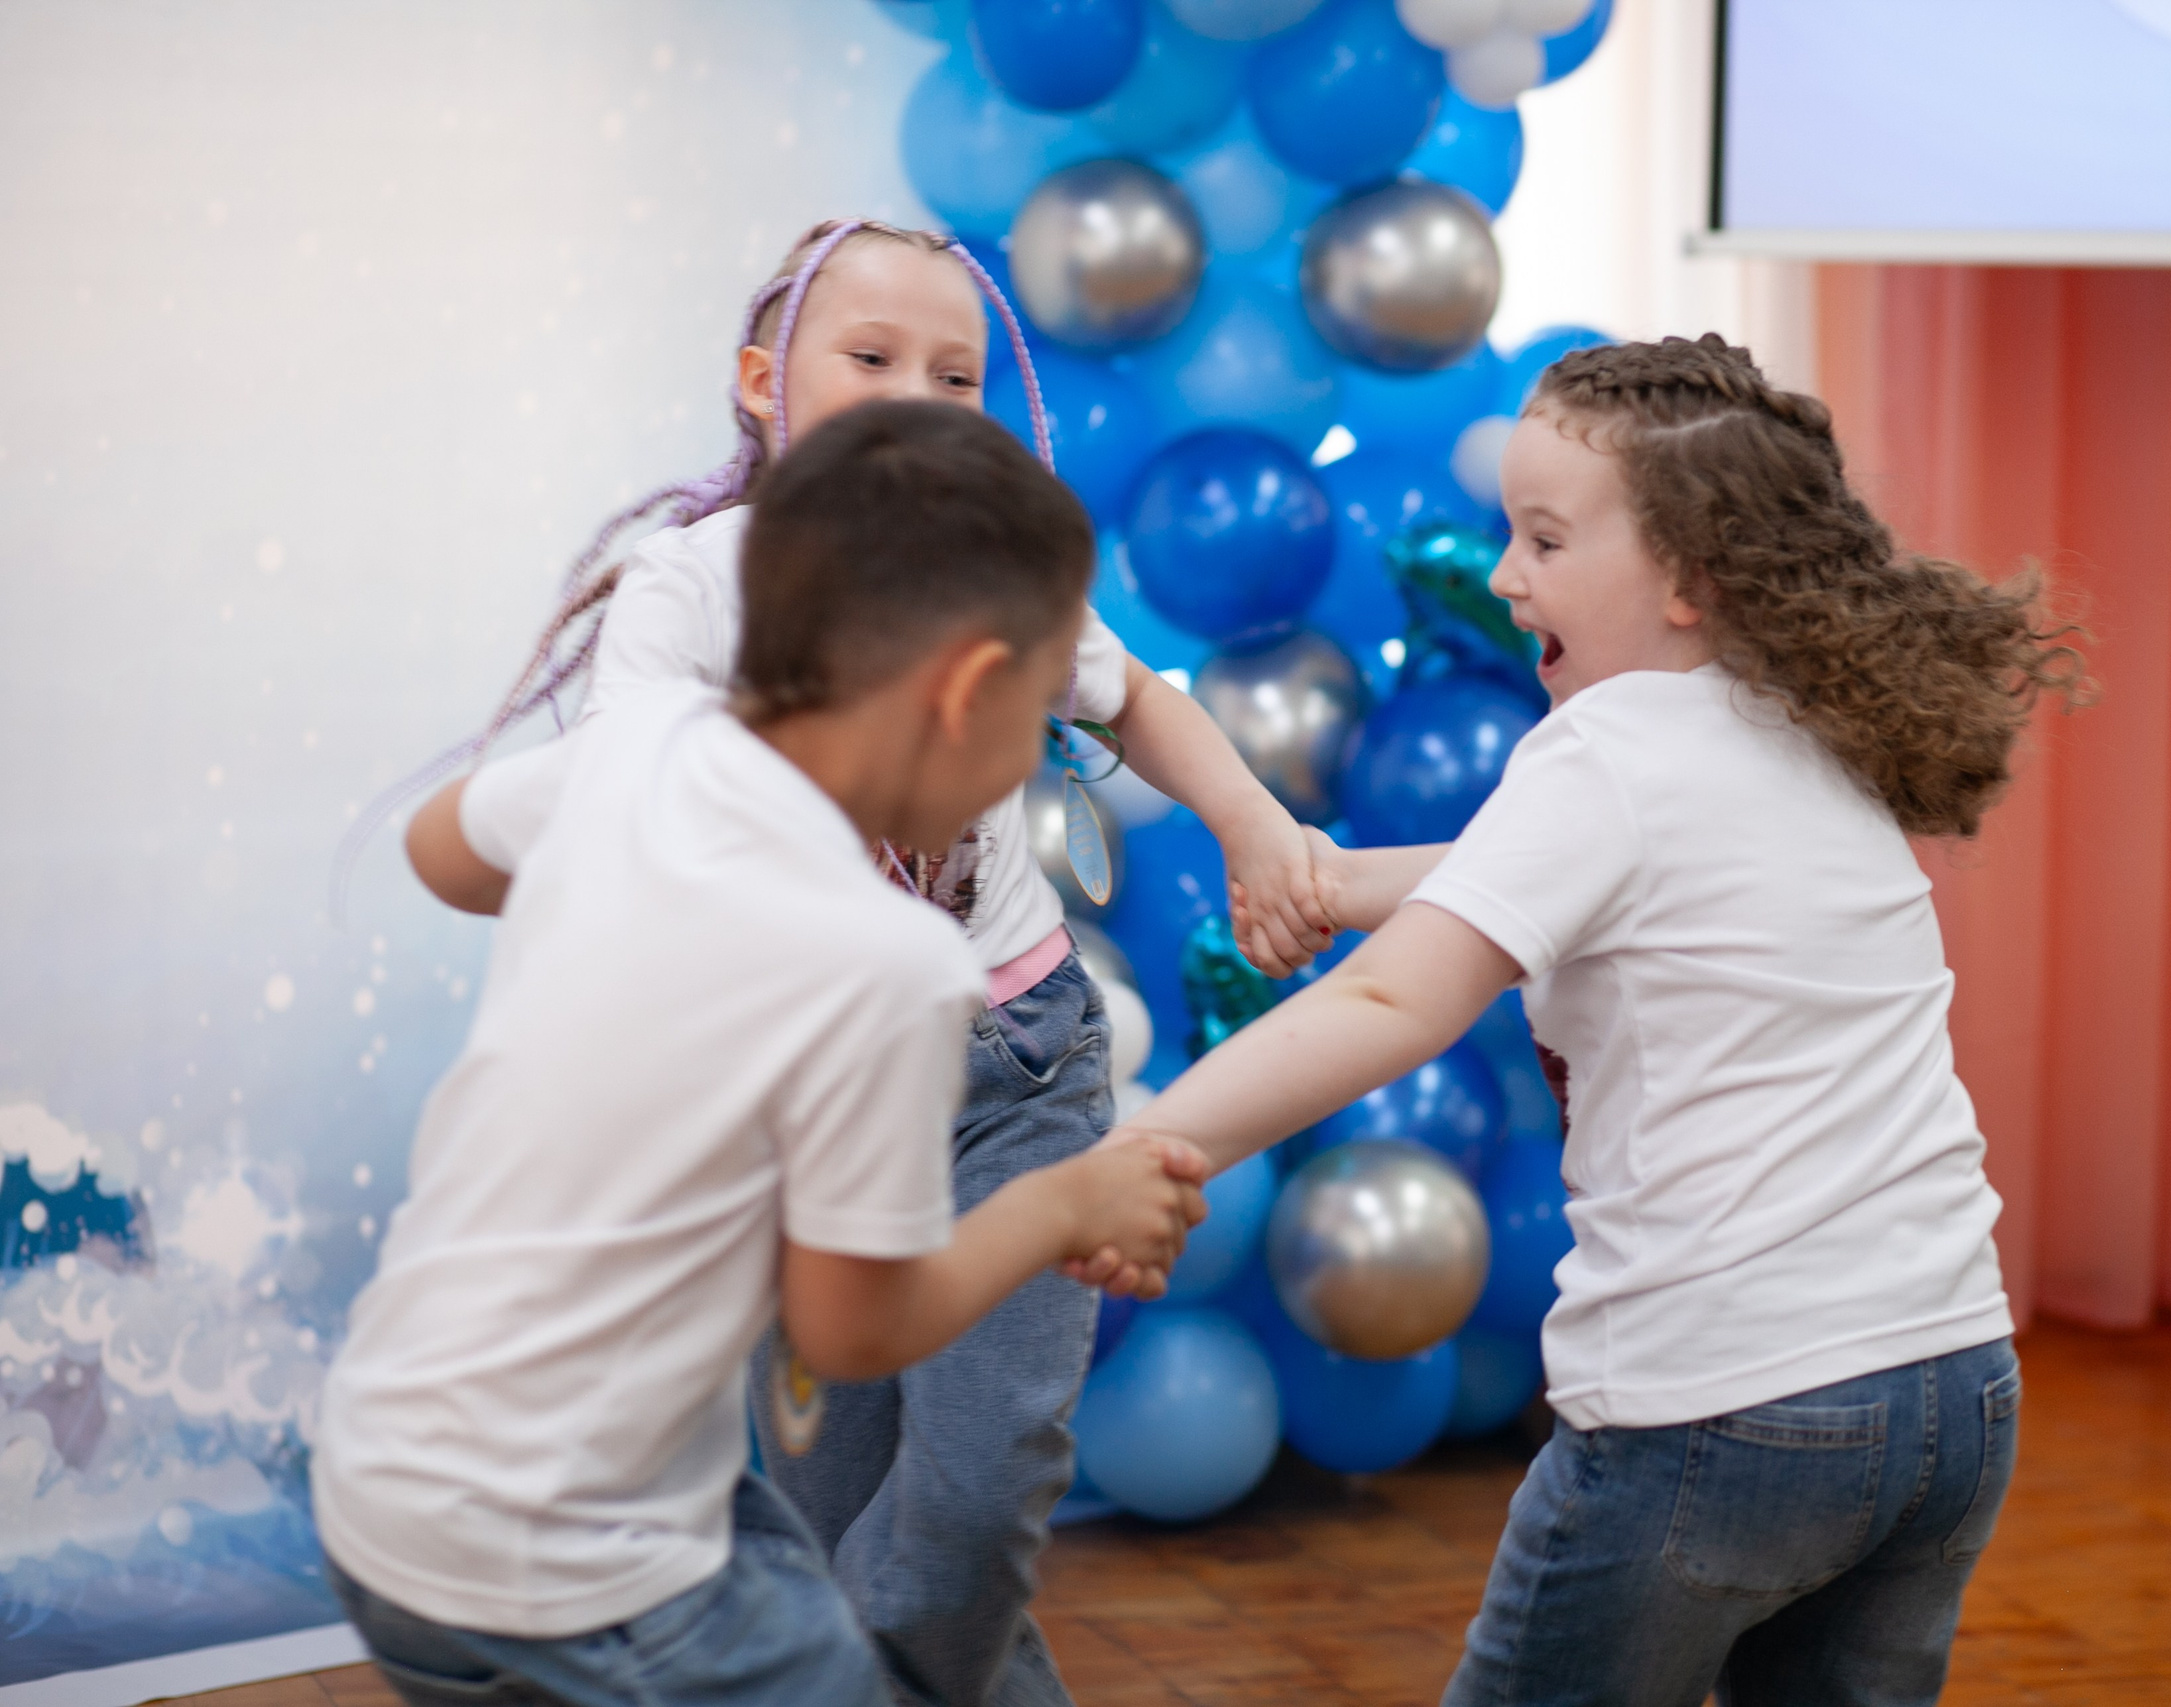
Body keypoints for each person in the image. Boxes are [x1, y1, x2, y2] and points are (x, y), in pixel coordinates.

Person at [398, 218, 1329, 1707]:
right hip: (790, 1086)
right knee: (827, 1519)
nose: (914, 393)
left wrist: (1256, 825)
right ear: (765, 384)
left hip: (1016, 1067)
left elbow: (1135, 696)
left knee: (974, 1502)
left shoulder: (995, 571)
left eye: (955, 375)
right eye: (872, 357)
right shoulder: (693, 588)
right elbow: (510, 837)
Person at [1103, 335, 2081, 1707]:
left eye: (1546, 539)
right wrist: (1328, 879)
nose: (1504, 574)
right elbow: (1537, 875)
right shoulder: (1805, 736)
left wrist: (1143, 1148)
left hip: (1725, 1409)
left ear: (1693, 579)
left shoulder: (1605, 753)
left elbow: (1398, 998)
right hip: (1947, 1384)